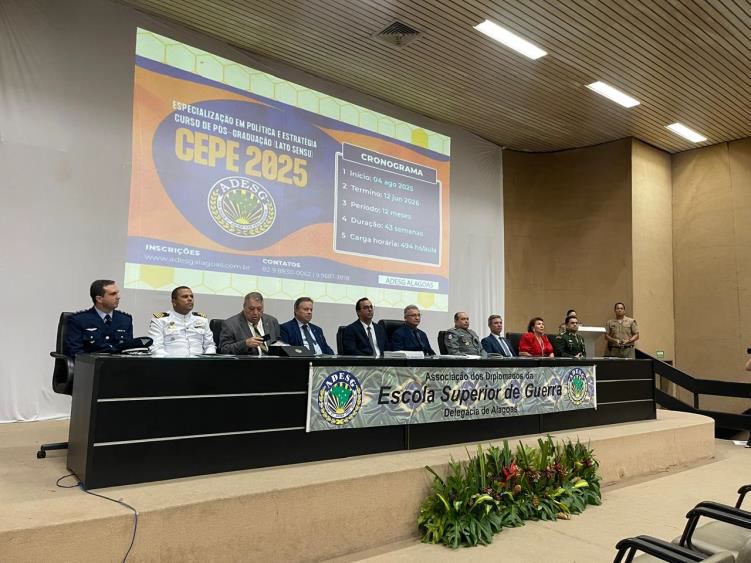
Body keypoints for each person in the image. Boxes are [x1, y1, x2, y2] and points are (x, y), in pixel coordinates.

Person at [64, 279, 134, 356]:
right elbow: (75, 352)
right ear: (99, 299)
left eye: (117, 293)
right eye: (113, 294)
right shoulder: (79, 320)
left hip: (118, 363)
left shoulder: (125, 320)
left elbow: (129, 350)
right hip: (91, 363)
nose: (118, 297)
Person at [148, 286, 216, 357]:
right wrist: (171, 362)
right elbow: (156, 348)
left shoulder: (201, 319)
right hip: (171, 362)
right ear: (174, 302)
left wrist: (208, 360)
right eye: (185, 297)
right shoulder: (160, 320)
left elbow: (210, 345)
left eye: (191, 296)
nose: (190, 299)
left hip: (200, 362)